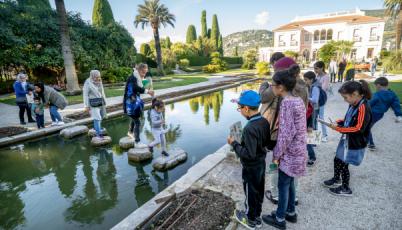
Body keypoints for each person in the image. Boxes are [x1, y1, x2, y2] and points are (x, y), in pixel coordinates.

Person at [262, 69, 307, 230]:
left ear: (280, 87)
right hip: (299, 148)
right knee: (290, 183)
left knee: (283, 185)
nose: (271, 88)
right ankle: (290, 212)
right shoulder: (297, 100)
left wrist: (277, 154)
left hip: (290, 151)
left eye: (273, 85)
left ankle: (280, 219)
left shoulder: (287, 103)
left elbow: (286, 133)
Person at [228, 90, 272, 229]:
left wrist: (234, 143)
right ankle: (257, 216)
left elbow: (248, 154)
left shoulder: (249, 128)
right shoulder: (264, 121)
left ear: (246, 108)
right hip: (261, 163)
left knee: (250, 192)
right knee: (258, 190)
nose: (239, 110)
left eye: (240, 108)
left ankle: (250, 219)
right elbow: (266, 143)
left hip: (250, 167)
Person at [323, 80, 372, 196]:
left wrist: (339, 129)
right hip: (347, 138)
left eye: (345, 97)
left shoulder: (363, 108)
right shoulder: (354, 103)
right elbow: (348, 119)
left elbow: (358, 128)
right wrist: (338, 122)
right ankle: (336, 178)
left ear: (355, 94)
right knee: (337, 159)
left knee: (344, 164)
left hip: (355, 141)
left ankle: (345, 188)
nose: (345, 100)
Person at [123, 63, 154, 145]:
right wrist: (147, 91)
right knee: (138, 122)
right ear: (139, 70)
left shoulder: (140, 77)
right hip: (130, 103)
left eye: (146, 72)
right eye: (143, 72)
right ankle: (137, 142)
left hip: (135, 102)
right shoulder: (133, 77)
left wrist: (149, 87)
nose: (145, 74)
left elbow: (146, 87)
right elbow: (135, 88)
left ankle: (130, 132)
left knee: (135, 118)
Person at [368, 77, 402, 150]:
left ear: (379, 85)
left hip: (372, 113)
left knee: (366, 127)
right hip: (380, 115)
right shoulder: (392, 94)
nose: (376, 87)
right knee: (368, 127)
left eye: (376, 86)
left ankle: (371, 144)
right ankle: (368, 141)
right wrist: (399, 115)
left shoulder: (377, 94)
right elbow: (396, 105)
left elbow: (370, 103)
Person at [83, 70, 107, 139]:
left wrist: (104, 101)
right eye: (96, 77)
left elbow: (102, 91)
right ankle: (98, 135)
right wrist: (86, 106)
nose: (98, 78)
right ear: (92, 76)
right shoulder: (87, 83)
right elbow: (85, 95)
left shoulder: (99, 81)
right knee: (97, 118)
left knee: (101, 116)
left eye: (99, 76)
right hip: (93, 103)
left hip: (100, 101)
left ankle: (95, 128)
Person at [304, 71, 320, 166]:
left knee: (309, 133)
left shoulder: (315, 88)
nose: (305, 81)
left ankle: (312, 156)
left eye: (306, 80)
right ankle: (311, 153)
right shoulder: (310, 87)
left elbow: (315, 100)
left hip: (313, 111)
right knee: (308, 134)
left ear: (311, 79)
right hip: (310, 111)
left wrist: (306, 97)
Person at [314, 61, 329, 142]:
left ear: (322, 68)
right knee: (315, 118)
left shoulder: (326, 77)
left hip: (321, 100)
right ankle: (315, 137)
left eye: (316, 68)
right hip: (316, 100)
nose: (315, 70)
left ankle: (325, 135)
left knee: (321, 118)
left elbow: (323, 88)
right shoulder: (317, 76)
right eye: (314, 68)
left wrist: (315, 86)